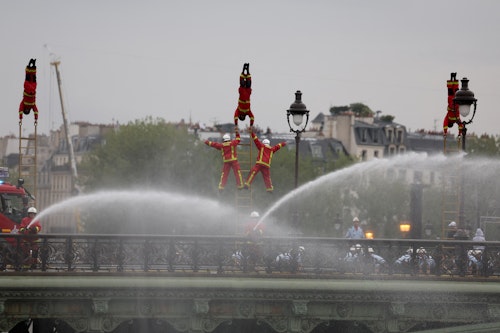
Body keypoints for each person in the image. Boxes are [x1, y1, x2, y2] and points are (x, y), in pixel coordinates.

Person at [233, 63, 255, 127]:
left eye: (241, 117)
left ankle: (243, 71)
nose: (242, 116)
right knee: (248, 84)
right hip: (247, 93)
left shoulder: (238, 111)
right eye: (243, 117)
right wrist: (251, 125)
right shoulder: (248, 112)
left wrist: (236, 124)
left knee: (242, 84)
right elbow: (252, 117)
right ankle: (247, 71)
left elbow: (235, 116)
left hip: (242, 93)